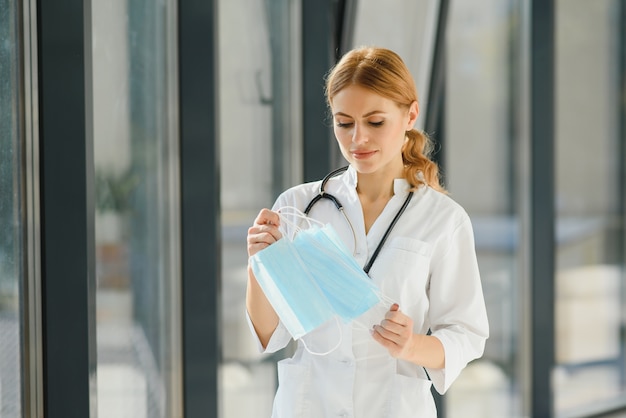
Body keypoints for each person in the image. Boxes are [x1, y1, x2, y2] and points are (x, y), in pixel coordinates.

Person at [246, 46, 489, 418]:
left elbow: (466, 334)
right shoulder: (298, 206)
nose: (358, 139)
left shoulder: (442, 219)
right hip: (309, 405)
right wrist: (259, 266)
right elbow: (271, 334)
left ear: (410, 115)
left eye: (375, 122)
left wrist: (410, 346)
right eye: (344, 123)